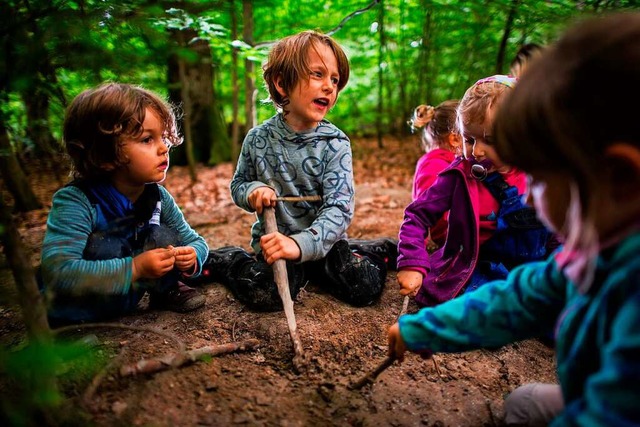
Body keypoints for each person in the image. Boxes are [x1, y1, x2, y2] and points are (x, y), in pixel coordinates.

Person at [388, 12, 640, 426]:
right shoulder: (590, 257)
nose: (529, 193)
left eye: (538, 174)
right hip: (582, 387)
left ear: (618, 178)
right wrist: (427, 329)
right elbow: (523, 297)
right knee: (524, 404)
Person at [206, 30, 396, 311]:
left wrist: (302, 244)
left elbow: (339, 208)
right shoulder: (258, 140)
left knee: (362, 287)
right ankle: (229, 260)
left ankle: (373, 252)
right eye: (318, 75)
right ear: (282, 84)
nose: (330, 87)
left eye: (335, 79)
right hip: (276, 245)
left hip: (326, 244)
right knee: (267, 293)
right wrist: (253, 191)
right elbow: (239, 185)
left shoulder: (335, 143)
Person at [40, 83, 209, 324]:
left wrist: (192, 256)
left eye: (163, 137)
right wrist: (135, 269)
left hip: (125, 300)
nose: (164, 148)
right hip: (78, 312)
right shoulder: (77, 201)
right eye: (147, 139)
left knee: (162, 235)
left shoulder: (157, 196)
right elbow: (58, 271)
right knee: (105, 247)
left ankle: (166, 291)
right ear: (104, 153)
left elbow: (196, 241)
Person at [396, 74, 555, 307]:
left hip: (534, 267)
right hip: (477, 265)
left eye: (490, 140)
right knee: (485, 309)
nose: (477, 151)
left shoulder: (540, 175)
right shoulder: (459, 175)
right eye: (469, 139)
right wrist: (412, 262)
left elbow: (558, 230)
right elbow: (417, 215)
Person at [407, 100, 461, 248]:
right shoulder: (434, 165)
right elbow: (422, 211)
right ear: (455, 139)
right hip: (456, 238)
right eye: (470, 138)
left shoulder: (452, 163)